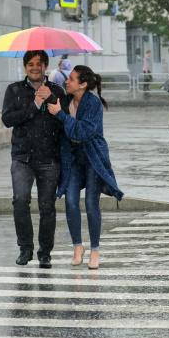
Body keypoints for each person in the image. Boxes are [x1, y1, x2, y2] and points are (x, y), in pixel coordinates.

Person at [47, 65, 123, 269]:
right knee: (71, 201)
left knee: (91, 203)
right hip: (72, 159)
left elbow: (83, 132)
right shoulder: (65, 100)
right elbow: (62, 130)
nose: (66, 82)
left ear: (83, 84)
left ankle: (95, 250)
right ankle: (77, 247)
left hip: (92, 158)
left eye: (71, 79)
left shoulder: (93, 104)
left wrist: (61, 116)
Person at [1, 50, 66, 269]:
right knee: (20, 201)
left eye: (39, 64)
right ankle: (25, 249)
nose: (35, 68)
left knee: (47, 206)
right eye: (30, 64)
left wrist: (51, 101)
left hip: (49, 159)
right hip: (22, 157)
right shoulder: (14, 90)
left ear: (46, 66)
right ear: (25, 67)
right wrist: (35, 105)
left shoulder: (57, 90)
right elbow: (8, 119)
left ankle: (45, 253)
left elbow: (63, 123)